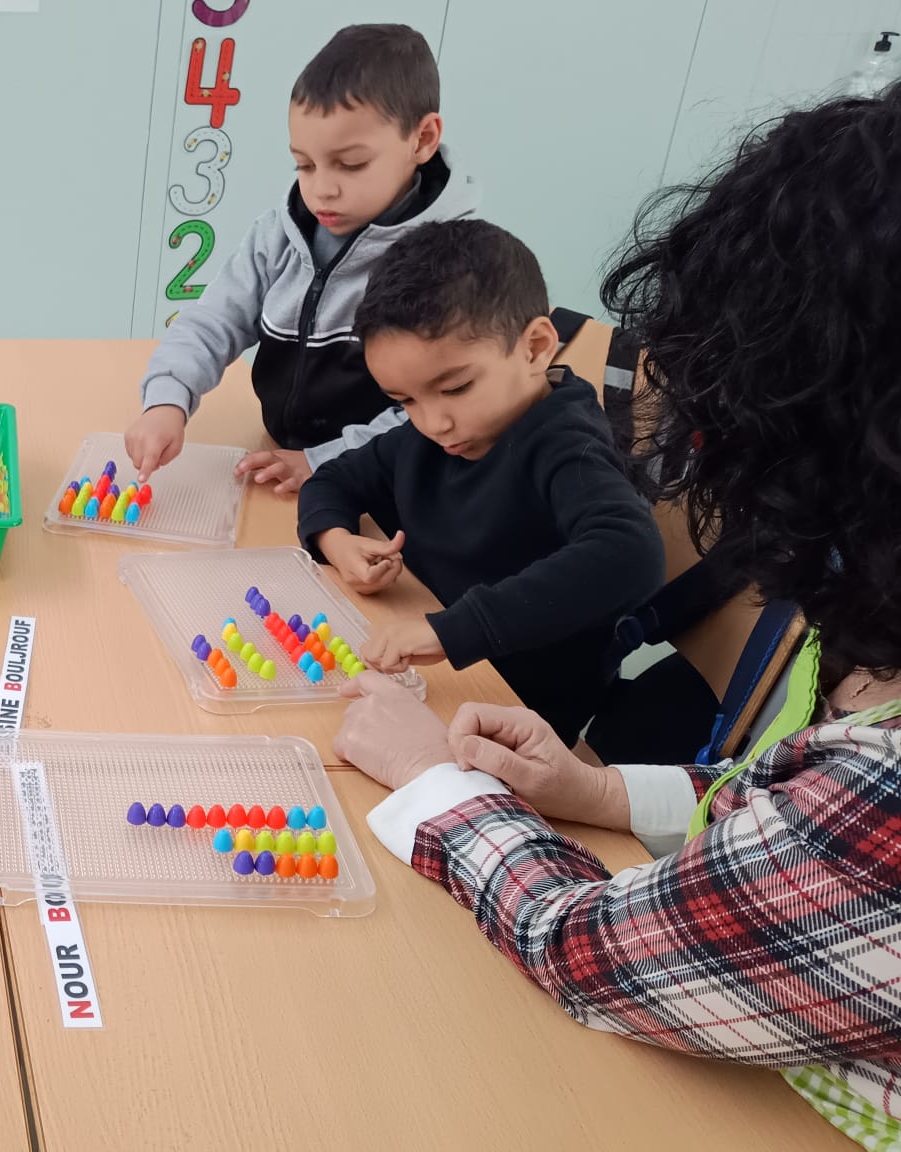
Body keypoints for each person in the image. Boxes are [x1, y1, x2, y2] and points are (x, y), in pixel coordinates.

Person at [334, 84, 901, 1148]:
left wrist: (434, 781)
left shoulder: (881, 791)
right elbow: (787, 814)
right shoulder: (869, 647)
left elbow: (588, 949)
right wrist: (595, 790)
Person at [297, 219, 662, 741]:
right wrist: (337, 542)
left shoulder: (566, 443)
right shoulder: (436, 432)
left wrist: (452, 631)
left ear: (536, 348)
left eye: (456, 388)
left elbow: (632, 554)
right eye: (405, 400)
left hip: (516, 713)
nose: (433, 422)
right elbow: (333, 479)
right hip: (432, 666)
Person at [125, 23, 478, 492]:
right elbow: (212, 321)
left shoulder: (449, 264)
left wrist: (323, 461)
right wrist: (167, 399)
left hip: (378, 482)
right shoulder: (279, 234)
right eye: (304, 164)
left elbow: (439, 412)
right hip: (281, 462)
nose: (322, 189)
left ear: (423, 138)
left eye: (351, 164)